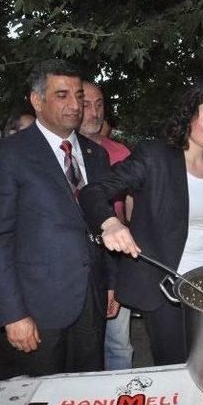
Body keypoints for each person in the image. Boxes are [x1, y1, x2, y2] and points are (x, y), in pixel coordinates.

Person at [0, 59, 117, 380]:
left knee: (87, 391)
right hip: (38, 307)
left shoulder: (97, 156)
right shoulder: (7, 155)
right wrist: (13, 313)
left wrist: (110, 282)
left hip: (91, 298)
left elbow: (102, 221)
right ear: (37, 100)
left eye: (78, 95)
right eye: (62, 95)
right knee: (43, 395)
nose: (74, 105)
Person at [79, 80, 203, 365]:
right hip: (167, 285)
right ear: (189, 113)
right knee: (177, 366)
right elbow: (92, 192)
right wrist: (110, 223)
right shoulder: (155, 155)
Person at [78, 81, 134, 371]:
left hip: (114, 259)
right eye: (86, 104)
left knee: (118, 342)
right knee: (84, 347)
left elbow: (132, 205)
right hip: (76, 264)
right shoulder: (62, 154)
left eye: (99, 104)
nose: (94, 112)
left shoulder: (120, 152)